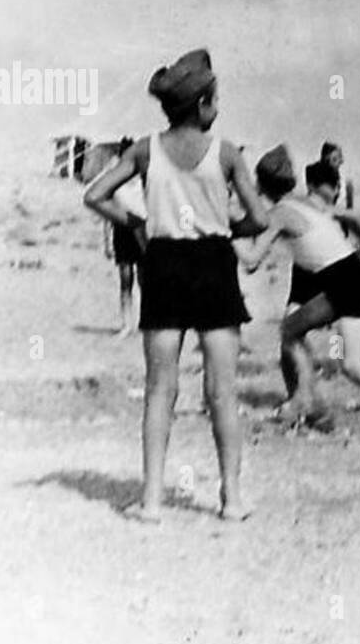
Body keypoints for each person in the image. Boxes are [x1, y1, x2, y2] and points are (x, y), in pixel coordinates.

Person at [83, 49, 267, 524]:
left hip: (163, 265)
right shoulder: (226, 153)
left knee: (160, 390)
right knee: (221, 392)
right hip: (213, 267)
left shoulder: (145, 149)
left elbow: (95, 194)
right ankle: (231, 499)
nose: (219, 107)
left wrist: (142, 224)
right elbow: (261, 218)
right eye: (216, 98)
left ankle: (151, 503)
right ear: (203, 103)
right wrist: (226, 227)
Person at [245, 146, 360, 436]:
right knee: (349, 361)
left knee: (299, 336)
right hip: (357, 274)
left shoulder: (280, 212)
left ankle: (307, 401)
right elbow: (351, 217)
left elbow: (252, 262)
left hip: (345, 281)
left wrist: (224, 239)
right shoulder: (307, 204)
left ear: (262, 185)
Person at [95, 137, 148, 338]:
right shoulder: (114, 180)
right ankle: (127, 324)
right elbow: (106, 211)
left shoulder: (144, 177)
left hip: (141, 228)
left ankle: (145, 321)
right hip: (122, 229)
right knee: (126, 279)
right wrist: (107, 241)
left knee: (144, 279)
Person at [319, 141, 355, 210]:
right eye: (336, 158)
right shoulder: (317, 182)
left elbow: (349, 211)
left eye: (340, 157)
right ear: (326, 158)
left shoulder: (343, 183)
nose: (341, 161)